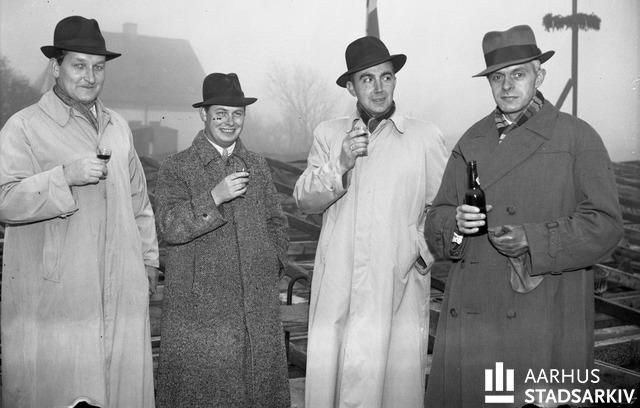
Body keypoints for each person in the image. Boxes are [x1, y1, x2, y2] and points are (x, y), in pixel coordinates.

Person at [424, 24, 624, 407]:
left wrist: (534, 239)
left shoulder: (578, 138)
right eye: (497, 77)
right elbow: (437, 217)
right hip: (475, 310)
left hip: (542, 311)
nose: (507, 86)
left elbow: (606, 224)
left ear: (540, 76)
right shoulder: (471, 140)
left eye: (518, 74)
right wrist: (455, 225)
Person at [0, 15, 159, 408]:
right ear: (56, 67)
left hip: (121, 284)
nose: (90, 77)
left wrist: (148, 261)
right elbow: (4, 198)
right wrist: (64, 177)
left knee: (119, 389)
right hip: (58, 292)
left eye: (98, 67)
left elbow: (139, 202)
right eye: (79, 65)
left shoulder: (118, 127)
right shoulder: (24, 127)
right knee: (62, 390)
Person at [294, 36, 448, 407]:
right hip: (340, 280)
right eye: (367, 79)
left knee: (392, 384)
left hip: (396, 281)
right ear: (351, 87)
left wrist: (419, 254)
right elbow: (303, 200)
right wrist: (340, 163)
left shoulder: (424, 137)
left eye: (386, 77)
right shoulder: (329, 134)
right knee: (336, 376)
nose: (378, 88)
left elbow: (442, 208)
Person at [154, 73, 290, 408]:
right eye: (220, 114)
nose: (230, 122)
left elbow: (277, 222)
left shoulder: (257, 165)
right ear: (203, 114)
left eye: (237, 113)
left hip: (255, 306)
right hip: (199, 311)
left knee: (257, 392)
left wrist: (270, 263)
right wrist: (214, 197)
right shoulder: (177, 167)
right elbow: (169, 226)